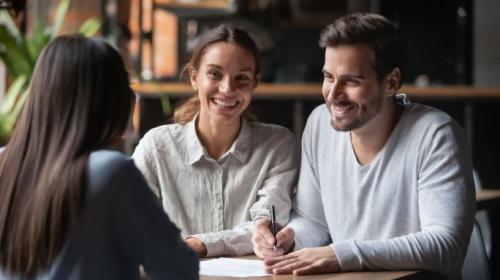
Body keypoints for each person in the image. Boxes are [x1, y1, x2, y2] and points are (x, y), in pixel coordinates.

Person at [252, 13, 475, 278]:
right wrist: (290, 238)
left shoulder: (436, 134)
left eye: (351, 81)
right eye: (328, 77)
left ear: (391, 82)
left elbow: (445, 247)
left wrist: (341, 254)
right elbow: (314, 222)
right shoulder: (319, 124)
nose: (333, 95)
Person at [0, 35, 198, 279]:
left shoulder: (5, 163)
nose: (132, 95)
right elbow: (177, 269)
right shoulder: (109, 171)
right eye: (125, 83)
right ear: (106, 98)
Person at [132, 25, 299, 257]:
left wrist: (201, 244)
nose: (227, 89)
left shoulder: (278, 145)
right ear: (194, 77)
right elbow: (131, 221)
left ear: (254, 84)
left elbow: (267, 228)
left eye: (241, 78)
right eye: (215, 74)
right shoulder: (156, 147)